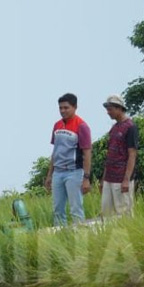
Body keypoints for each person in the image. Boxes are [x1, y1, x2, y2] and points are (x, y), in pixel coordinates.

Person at [43, 94, 92, 226]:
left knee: (75, 208)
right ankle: (60, 239)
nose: (63, 111)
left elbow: (87, 153)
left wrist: (86, 177)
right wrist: (49, 175)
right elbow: (55, 151)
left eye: (66, 107)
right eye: (60, 108)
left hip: (74, 172)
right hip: (58, 172)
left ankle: (80, 238)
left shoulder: (82, 126)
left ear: (75, 107)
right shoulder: (57, 125)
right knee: (57, 210)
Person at [99, 94, 138, 218]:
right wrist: (103, 178)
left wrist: (126, 179)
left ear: (119, 108)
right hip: (109, 177)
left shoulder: (130, 127)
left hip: (121, 178)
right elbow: (110, 154)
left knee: (124, 213)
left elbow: (132, 154)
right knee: (106, 213)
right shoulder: (114, 128)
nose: (108, 112)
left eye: (110, 109)